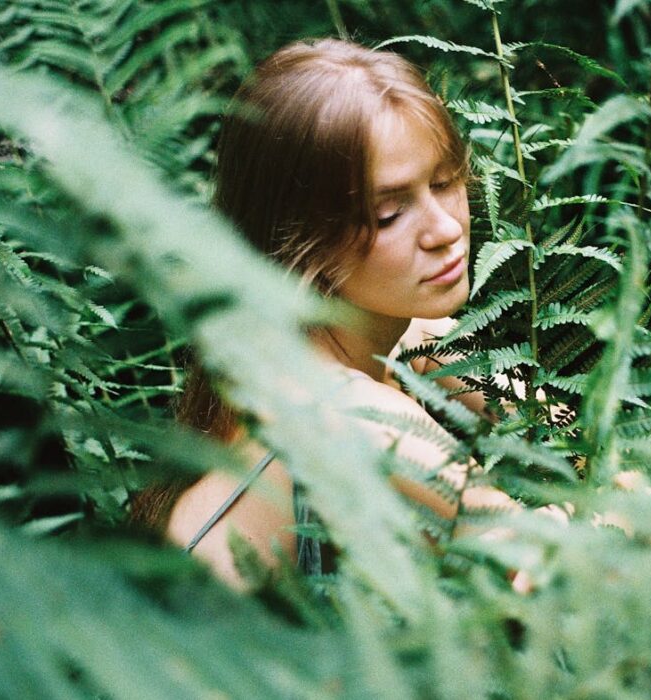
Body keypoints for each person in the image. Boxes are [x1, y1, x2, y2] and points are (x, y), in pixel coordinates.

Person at [129, 38, 515, 589]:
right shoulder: (340, 407)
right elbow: (547, 553)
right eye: (387, 213)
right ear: (297, 242)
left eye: (445, 182)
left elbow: (573, 437)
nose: (447, 230)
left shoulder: (409, 341)